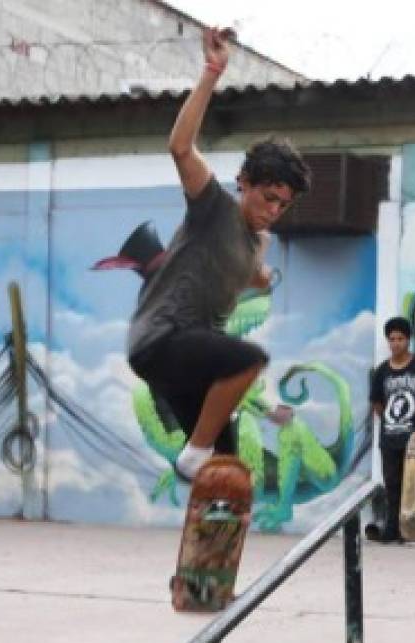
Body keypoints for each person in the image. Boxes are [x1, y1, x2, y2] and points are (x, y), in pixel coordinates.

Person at [126, 25, 312, 480]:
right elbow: (180, 147)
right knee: (248, 360)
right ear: (244, 182)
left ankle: (212, 538)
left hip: (191, 368)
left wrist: (262, 278)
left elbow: (240, 272)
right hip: (162, 339)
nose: (272, 211)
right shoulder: (213, 207)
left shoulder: (258, 244)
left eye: (282, 205)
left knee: (227, 468)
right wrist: (211, 72)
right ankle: (194, 455)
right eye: (267, 197)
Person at [368, 317, 415, 543]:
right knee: (392, 485)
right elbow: (376, 401)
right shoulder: (382, 371)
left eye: (400, 338)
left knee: (413, 487)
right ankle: (392, 530)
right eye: (391, 339)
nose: (395, 343)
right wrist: (388, 420)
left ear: (408, 340)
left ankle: (410, 531)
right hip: (389, 439)